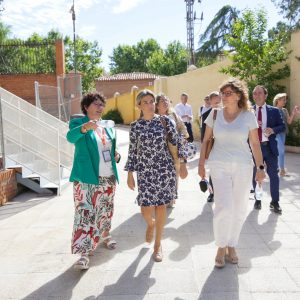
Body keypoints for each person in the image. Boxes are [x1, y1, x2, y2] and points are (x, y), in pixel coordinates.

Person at [198, 78, 266, 268]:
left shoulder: (248, 116)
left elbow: (255, 144)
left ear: (238, 95)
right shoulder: (214, 113)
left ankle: (231, 244)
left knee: (239, 207)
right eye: (222, 93)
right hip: (218, 164)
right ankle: (221, 246)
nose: (224, 97)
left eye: (228, 93)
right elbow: (205, 140)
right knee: (223, 207)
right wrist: (201, 164)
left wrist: (260, 168)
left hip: (243, 166)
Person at [125, 89, 185, 262]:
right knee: (145, 209)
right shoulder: (135, 126)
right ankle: (150, 224)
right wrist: (130, 174)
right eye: (146, 102)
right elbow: (132, 152)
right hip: (144, 172)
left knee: (161, 206)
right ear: (139, 106)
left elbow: (176, 142)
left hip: (164, 169)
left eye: (152, 101)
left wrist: (183, 165)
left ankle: (158, 245)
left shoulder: (165, 121)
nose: (150, 105)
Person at [66, 93, 121, 270]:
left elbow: (111, 149)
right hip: (86, 177)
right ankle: (83, 253)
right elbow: (70, 137)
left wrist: (116, 156)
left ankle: (105, 235)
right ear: (86, 107)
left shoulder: (108, 126)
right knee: (85, 214)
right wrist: (85, 128)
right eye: (96, 104)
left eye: (102, 104)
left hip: (108, 176)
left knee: (105, 209)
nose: (100, 107)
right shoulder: (78, 124)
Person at [252, 86, 285, 213]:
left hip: (270, 148)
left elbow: (282, 126)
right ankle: (258, 200)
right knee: (257, 175)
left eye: (260, 93)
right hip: (255, 148)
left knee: (274, 176)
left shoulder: (274, 111)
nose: (257, 95)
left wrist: (273, 130)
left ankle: (275, 202)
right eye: (255, 93)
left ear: (265, 95)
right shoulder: (249, 111)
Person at [155, 93, 189, 207]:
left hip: (173, 149)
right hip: (159, 150)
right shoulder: (153, 116)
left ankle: (171, 197)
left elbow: (182, 127)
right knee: (159, 173)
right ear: (157, 105)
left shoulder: (173, 115)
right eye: (162, 101)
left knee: (174, 173)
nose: (165, 102)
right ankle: (159, 197)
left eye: (167, 100)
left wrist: (183, 137)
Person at [200, 91, 221, 203]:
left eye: (219, 102)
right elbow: (205, 136)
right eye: (215, 103)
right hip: (214, 146)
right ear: (211, 103)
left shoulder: (229, 113)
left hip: (227, 148)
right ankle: (212, 193)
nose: (217, 105)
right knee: (213, 170)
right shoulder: (209, 114)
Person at [273, 93, 299, 176]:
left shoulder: (285, 110)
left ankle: (278, 168)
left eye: (285, 99)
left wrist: (294, 112)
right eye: (283, 99)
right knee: (281, 150)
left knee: (280, 151)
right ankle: (282, 169)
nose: (285, 101)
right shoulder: (273, 110)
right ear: (278, 100)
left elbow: (289, 121)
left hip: (283, 133)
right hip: (276, 133)